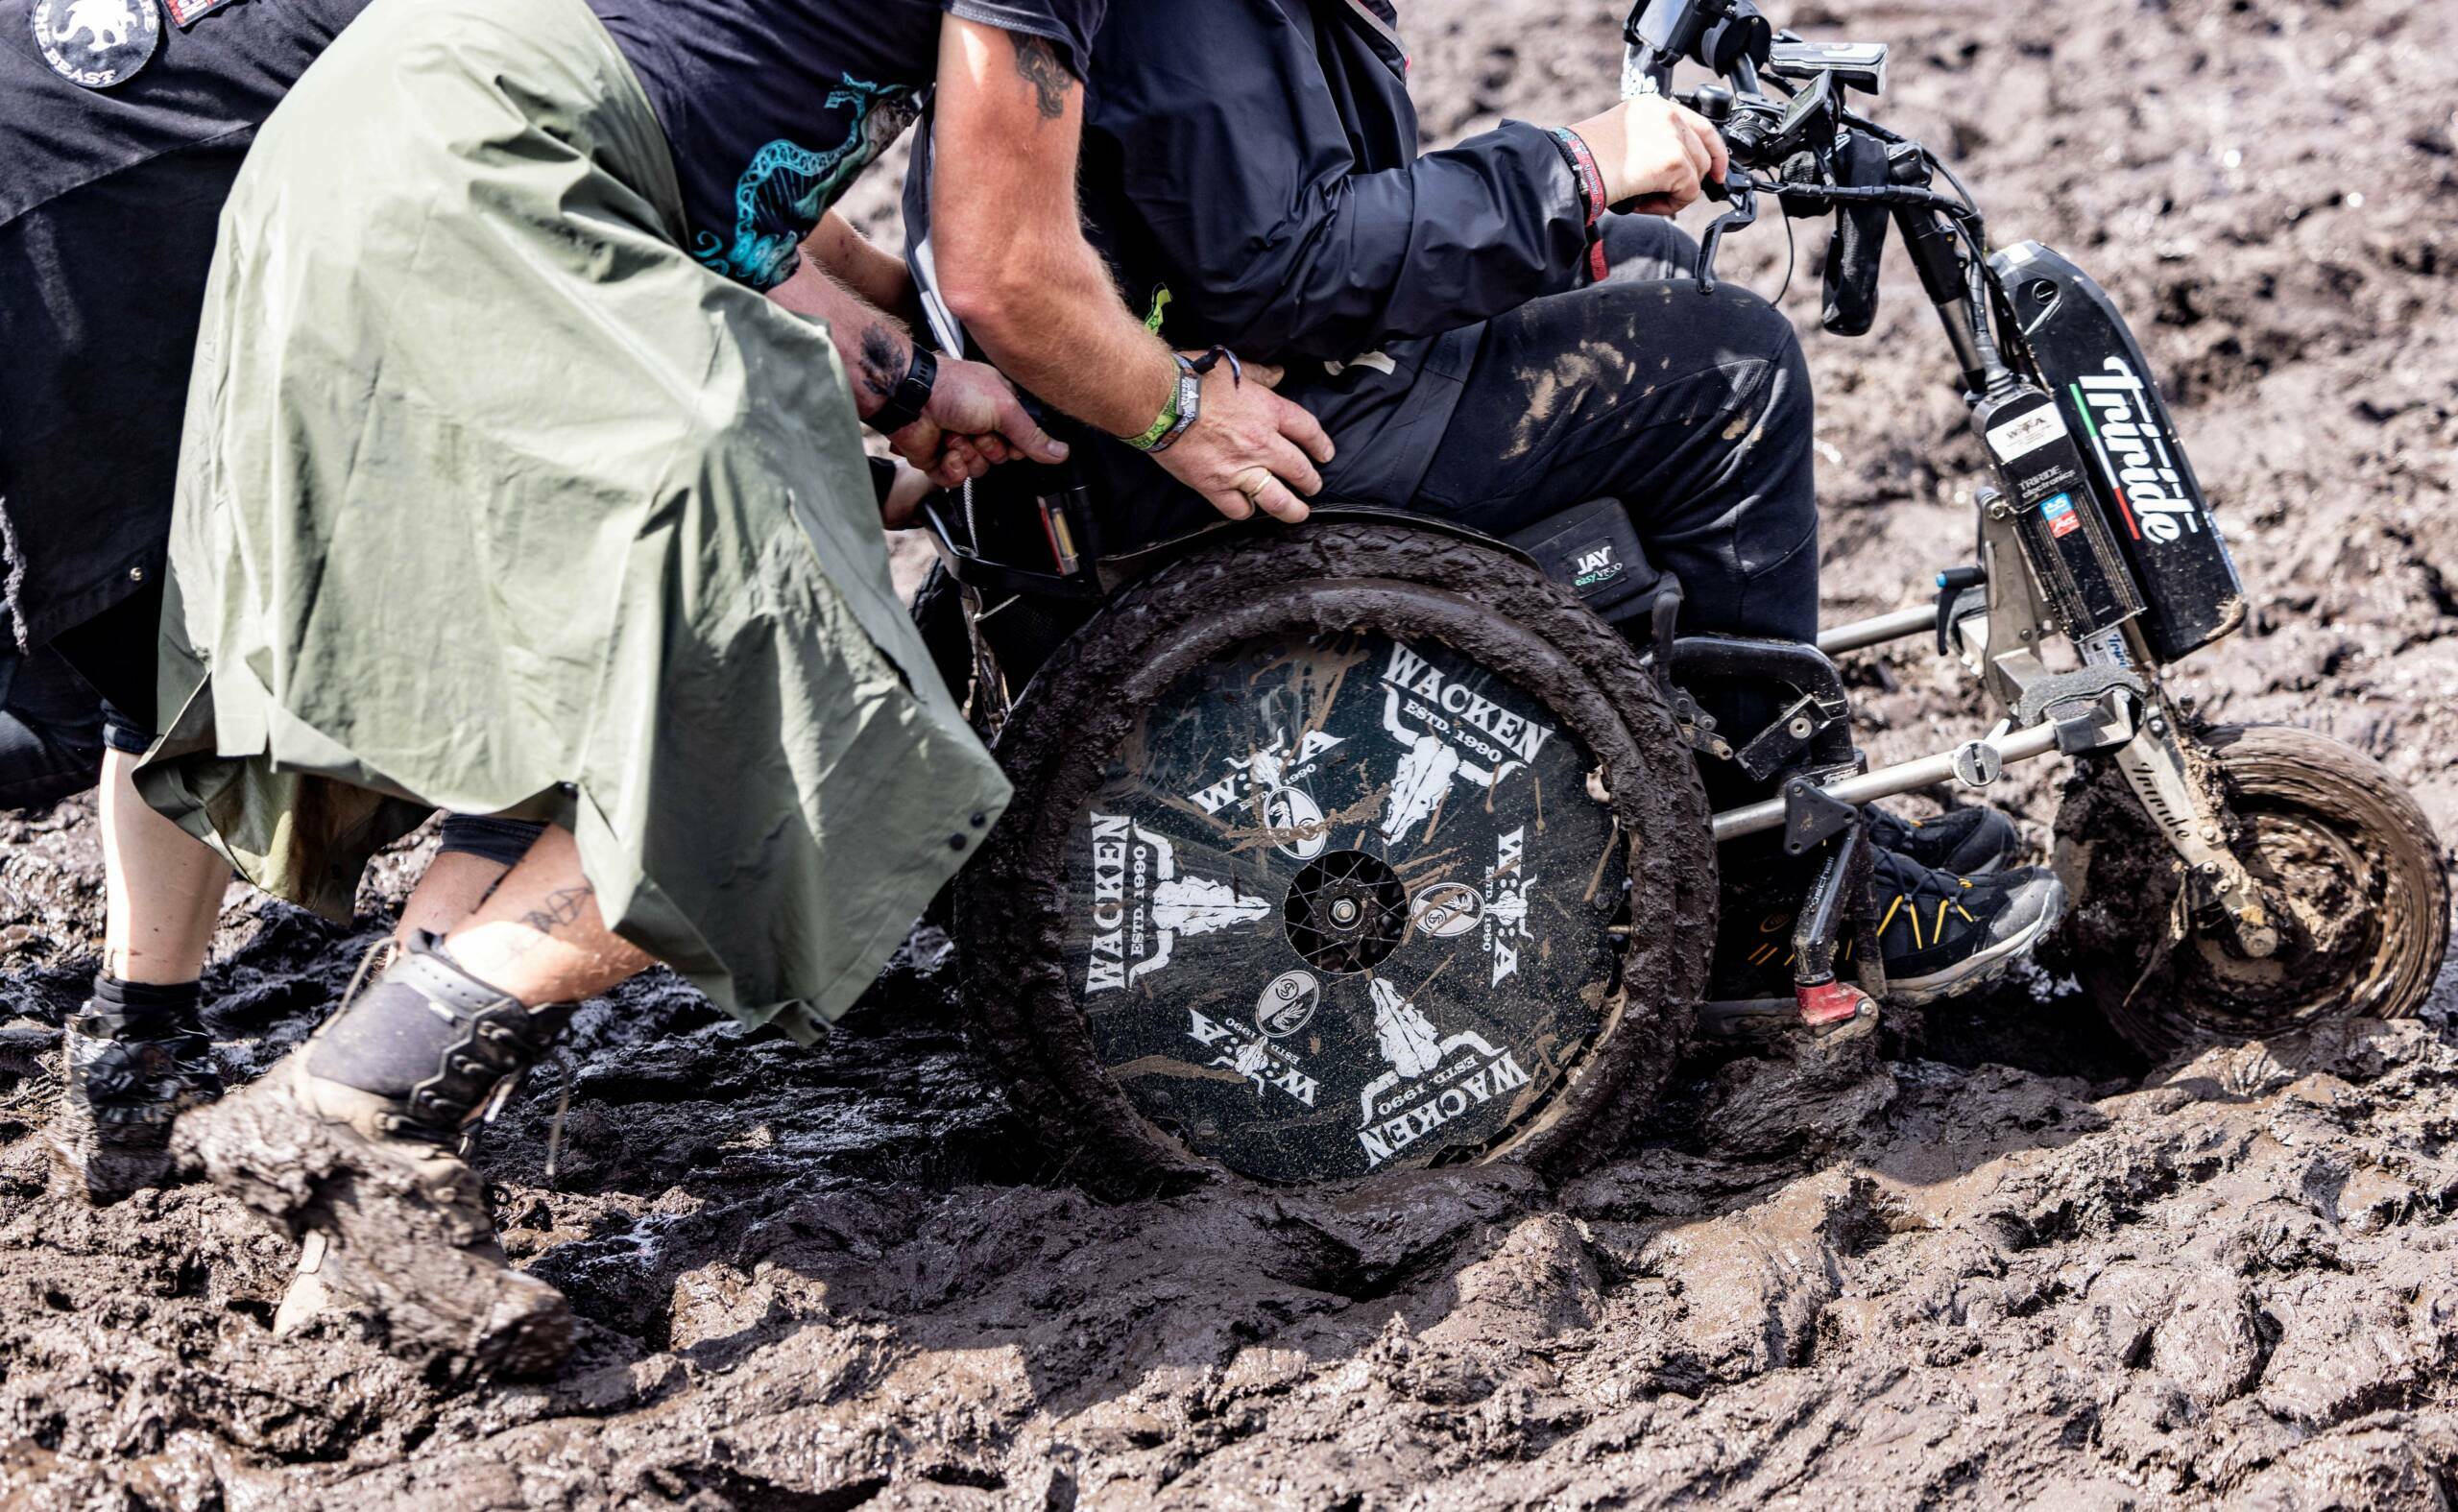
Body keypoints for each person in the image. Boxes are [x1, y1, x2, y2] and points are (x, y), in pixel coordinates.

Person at [148, 0, 1336, 1376]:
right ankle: (345, 1090)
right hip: (491, 172)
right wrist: (1178, 412)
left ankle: (348, 1242)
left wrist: (913, 385)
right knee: (797, 732)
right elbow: (1011, 269)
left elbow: (751, 176)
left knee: (603, 701)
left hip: (387, 136)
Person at [904, 0, 2064, 1004]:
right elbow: (1276, 272)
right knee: (1723, 374)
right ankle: (1767, 903)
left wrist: (1571, 206)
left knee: (1639, 265)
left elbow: (1270, 230)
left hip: (1157, 403)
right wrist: (1567, 168)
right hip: (1178, 446)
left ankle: (1755, 811)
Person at [0, 0, 574, 1206]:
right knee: (546, 694)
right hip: (85, 231)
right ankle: (347, 1105)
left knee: (162, 657)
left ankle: (136, 1045)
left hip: (71, 162)